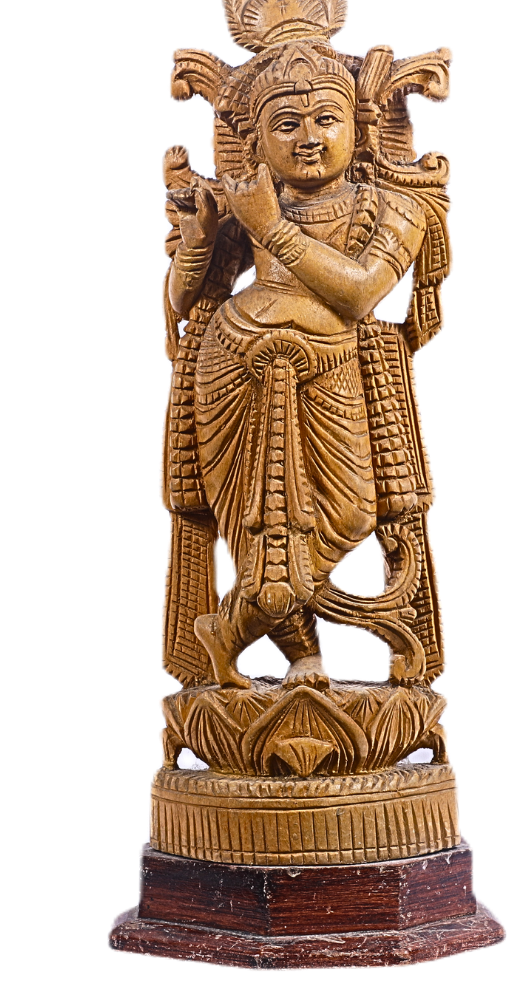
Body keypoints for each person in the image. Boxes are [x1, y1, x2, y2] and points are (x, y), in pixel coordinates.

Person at [164, 43, 428, 691]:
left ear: (357, 129)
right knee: (255, 523)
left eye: (325, 119)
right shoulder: (244, 201)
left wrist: (274, 229)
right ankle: (302, 655)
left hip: (332, 365)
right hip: (233, 365)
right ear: (256, 141)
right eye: (287, 124)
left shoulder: (393, 209)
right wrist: (196, 246)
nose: (309, 138)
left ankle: (230, 632)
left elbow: (360, 293)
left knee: (349, 513)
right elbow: (182, 302)